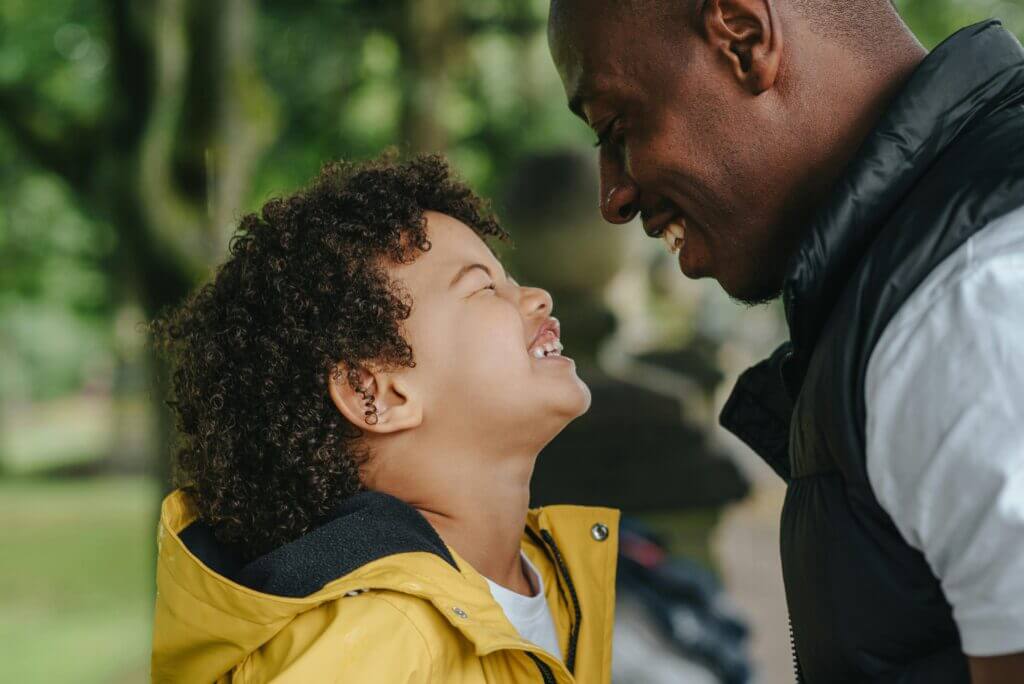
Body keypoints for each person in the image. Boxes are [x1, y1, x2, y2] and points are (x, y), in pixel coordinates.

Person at [547, 1, 1024, 682]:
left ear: (742, 39)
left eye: (617, 127)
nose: (613, 196)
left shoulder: (970, 306)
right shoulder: (929, 283)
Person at [148, 155, 619, 683]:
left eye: (510, 278)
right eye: (483, 287)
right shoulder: (369, 647)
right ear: (376, 392)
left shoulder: (556, 578)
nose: (536, 297)